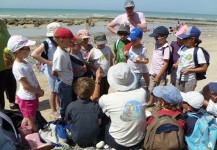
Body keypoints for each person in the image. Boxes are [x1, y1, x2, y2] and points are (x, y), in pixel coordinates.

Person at [99, 62, 147, 150]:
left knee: (104, 119)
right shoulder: (142, 92)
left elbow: (97, 103)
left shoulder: (106, 99)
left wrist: (97, 81)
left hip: (117, 143)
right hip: (139, 140)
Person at [7, 35, 44, 132]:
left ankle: (24, 131)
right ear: (18, 51)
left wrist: (37, 89)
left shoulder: (25, 62)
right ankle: (34, 136)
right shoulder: (18, 67)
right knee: (31, 120)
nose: (30, 50)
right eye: (27, 48)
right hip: (26, 99)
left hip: (32, 95)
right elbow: (26, 86)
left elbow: (33, 77)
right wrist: (39, 90)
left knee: (28, 117)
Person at [65, 69, 103, 148]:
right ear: (92, 92)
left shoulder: (71, 106)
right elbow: (99, 122)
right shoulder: (96, 106)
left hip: (77, 139)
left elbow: (69, 122)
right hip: (94, 139)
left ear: (76, 91)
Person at [32, 22, 61, 118]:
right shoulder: (46, 43)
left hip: (57, 68)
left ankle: (58, 106)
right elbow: (34, 54)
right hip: (49, 68)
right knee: (53, 90)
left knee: (57, 89)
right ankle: (53, 110)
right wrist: (48, 62)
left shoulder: (58, 41)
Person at [52, 27, 77, 119]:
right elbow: (54, 72)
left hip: (67, 82)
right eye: (69, 40)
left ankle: (67, 118)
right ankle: (64, 120)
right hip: (63, 83)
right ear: (62, 41)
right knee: (65, 105)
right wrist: (63, 79)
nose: (71, 42)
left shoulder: (64, 51)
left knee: (68, 102)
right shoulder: (59, 55)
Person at [176, 26, 207, 92]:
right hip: (179, 78)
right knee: (178, 97)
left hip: (190, 80)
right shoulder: (182, 47)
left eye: (185, 38)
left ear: (192, 39)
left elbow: (204, 68)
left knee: (187, 98)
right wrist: (176, 63)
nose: (182, 40)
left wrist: (189, 70)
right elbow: (180, 57)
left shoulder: (198, 51)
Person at [147, 26, 170, 107]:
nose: (155, 39)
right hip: (153, 72)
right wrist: (151, 72)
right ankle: (151, 101)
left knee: (160, 90)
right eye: (154, 37)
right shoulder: (156, 44)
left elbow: (166, 64)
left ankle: (159, 103)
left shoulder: (166, 48)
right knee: (151, 89)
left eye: (157, 37)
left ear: (165, 37)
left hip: (160, 74)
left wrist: (158, 76)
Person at [88, 32, 113, 97]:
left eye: (103, 43)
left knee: (106, 89)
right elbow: (90, 62)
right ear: (95, 42)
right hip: (97, 76)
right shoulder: (93, 51)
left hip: (107, 74)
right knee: (98, 90)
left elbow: (111, 58)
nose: (102, 45)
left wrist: (111, 68)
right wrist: (96, 69)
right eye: (100, 44)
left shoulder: (107, 48)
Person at [0, 19, 18, 110]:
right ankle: (1, 112)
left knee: (11, 85)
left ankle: (12, 103)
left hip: (9, 62)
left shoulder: (2, 23)